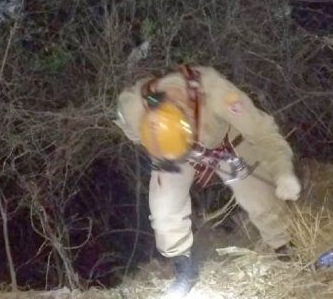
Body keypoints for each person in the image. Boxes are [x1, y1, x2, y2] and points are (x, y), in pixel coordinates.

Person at [114, 65, 301, 298]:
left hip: (222, 140)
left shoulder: (215, 92)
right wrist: (162, 145)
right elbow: (131, 128)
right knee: (164, 208)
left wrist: (283, 171)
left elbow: (262, 132)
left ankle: (283, 245)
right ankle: (183, 269)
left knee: (258, 196)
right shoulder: (134, 107)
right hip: (167, 147)